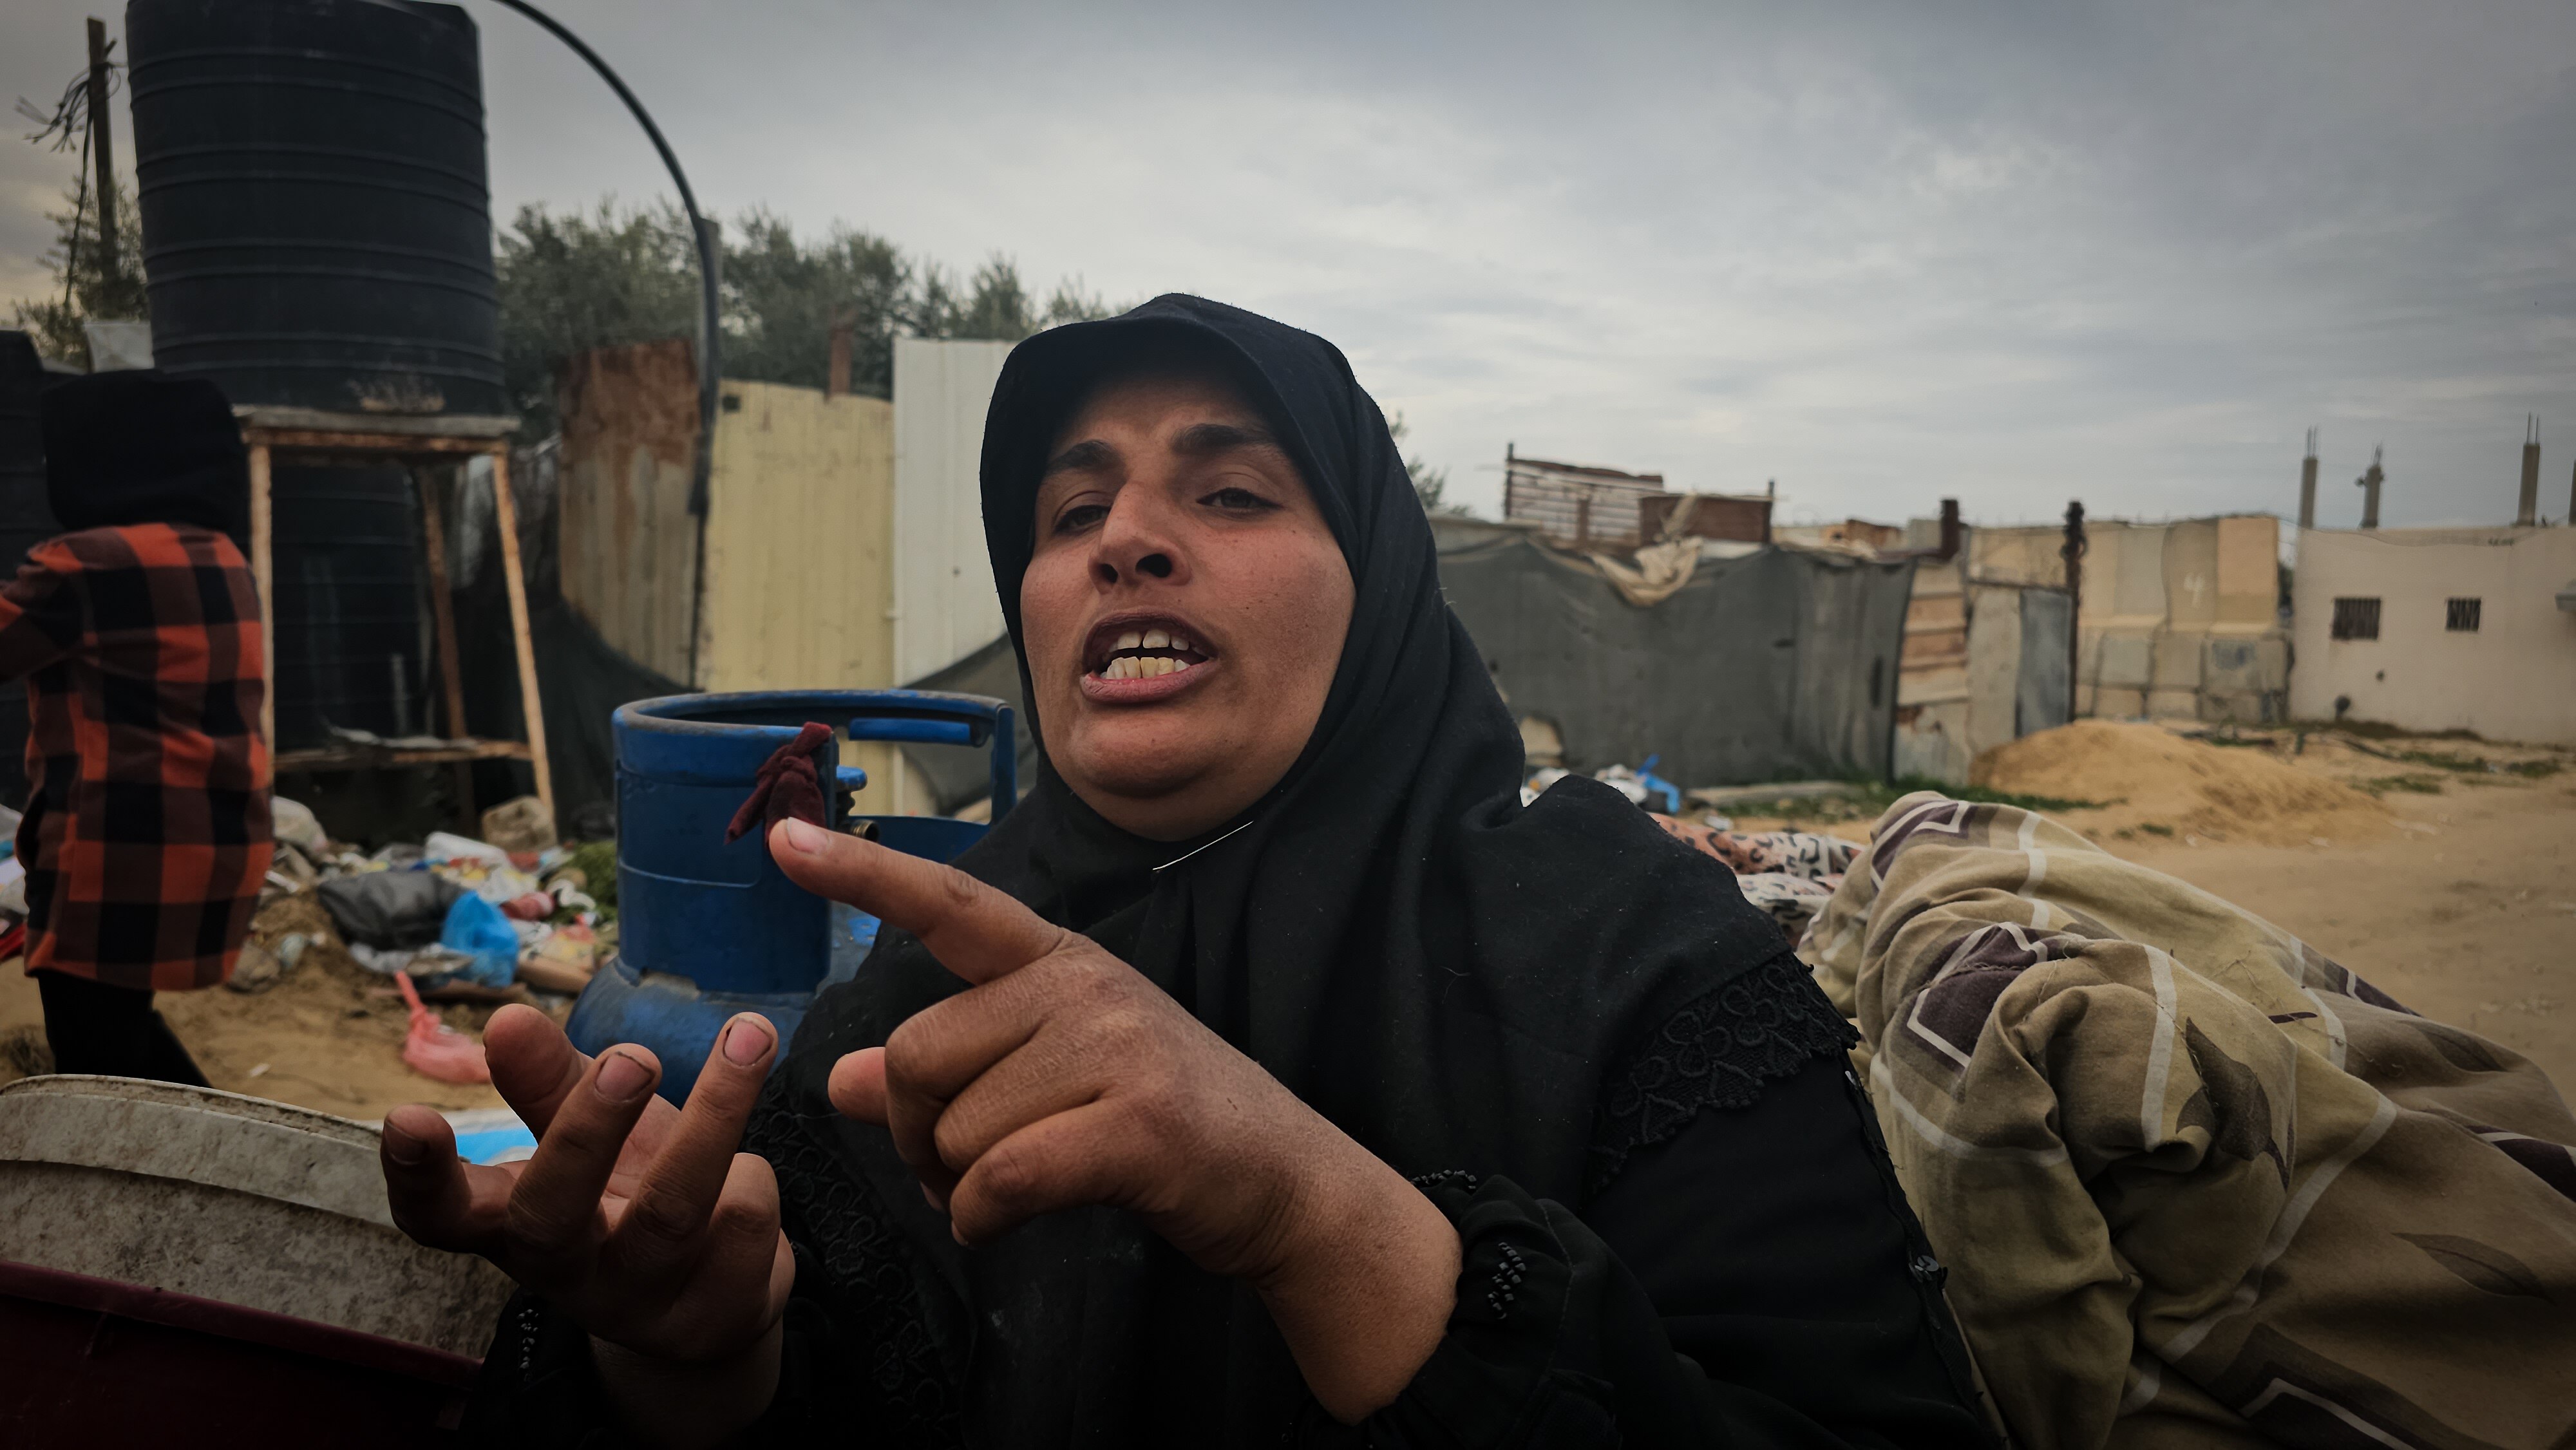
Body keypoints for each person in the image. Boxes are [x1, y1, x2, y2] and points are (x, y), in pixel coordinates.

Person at [381, 296, 1996, 1447]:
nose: (1124, 537)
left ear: (1376, 582)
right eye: (1072, 504)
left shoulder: (1629, 955)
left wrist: (1313, 1210)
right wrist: (691, 1362)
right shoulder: (921, 984)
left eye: (1228, 491)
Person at [6, 370, 271, 1084]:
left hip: (114, 854)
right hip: (214, 848)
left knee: (93, 1063)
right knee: (118, 1029)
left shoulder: (87, 564)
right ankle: (228, 1159)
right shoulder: (222, 556)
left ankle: (194, 1181)